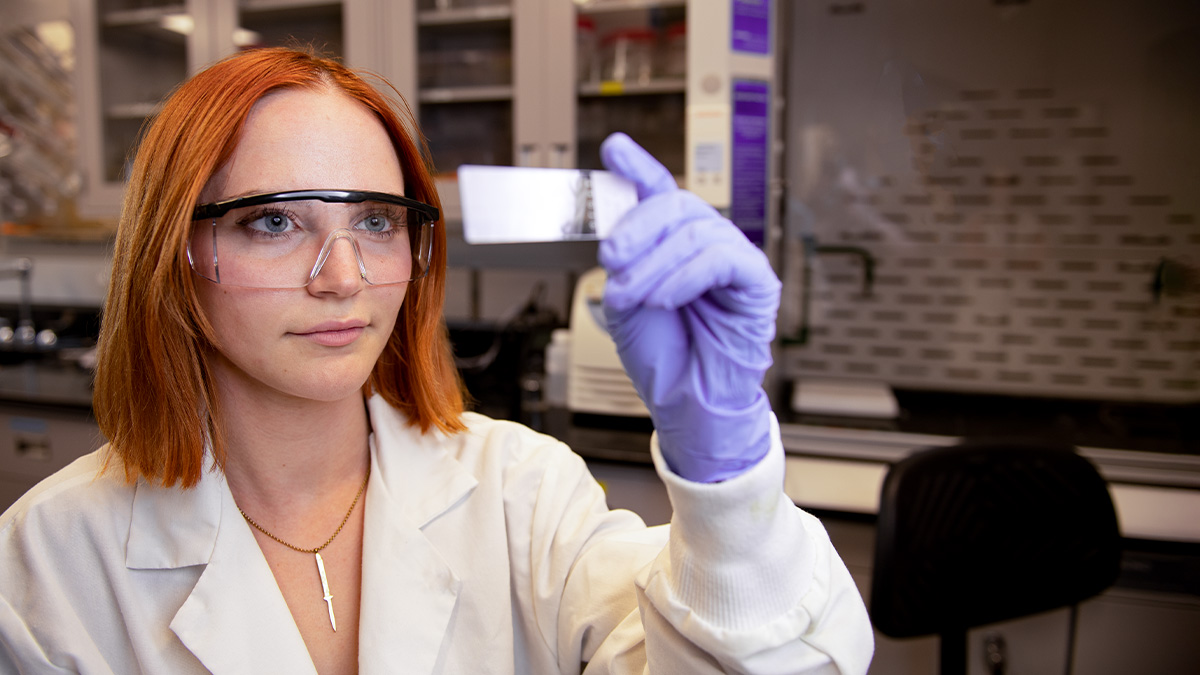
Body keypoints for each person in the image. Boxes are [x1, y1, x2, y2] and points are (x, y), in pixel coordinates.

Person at [0, 47, 873, 674]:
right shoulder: (46, 562)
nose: (343, 278)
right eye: (275, 222)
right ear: (176, 253)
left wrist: (724, 466)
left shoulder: (521, 493)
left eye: (375, 222)